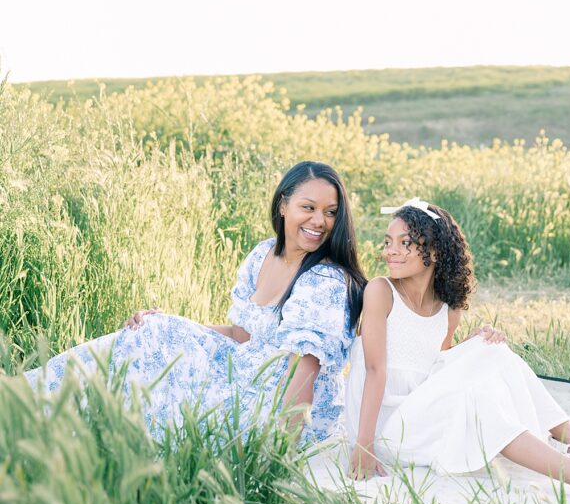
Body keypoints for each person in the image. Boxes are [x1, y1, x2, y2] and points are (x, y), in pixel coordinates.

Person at [25, 161, 366, 444]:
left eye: (330, 212)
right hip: (244, 370)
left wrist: (281, 447)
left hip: (278, 402)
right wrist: (171, 326)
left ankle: (42, 409)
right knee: (151, 333)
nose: (319, 221)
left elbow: (303, 371)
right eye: (308, 207)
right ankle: (32, 397)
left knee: (164, 392)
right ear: (283, 205)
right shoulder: (264, 254)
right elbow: (240, 332)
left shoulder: (325, 281)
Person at [344, 198, 570, 504]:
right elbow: (376, 370)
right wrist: (364, 444)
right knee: (478, 401)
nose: (390, 250)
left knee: (493, 351)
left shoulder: (448, 309)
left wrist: (472, 345)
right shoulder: (380, 291)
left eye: (405, 243)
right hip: (387, 426)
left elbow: (434, 364)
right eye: (388, 242)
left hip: (421, 410)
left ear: (434, 251)